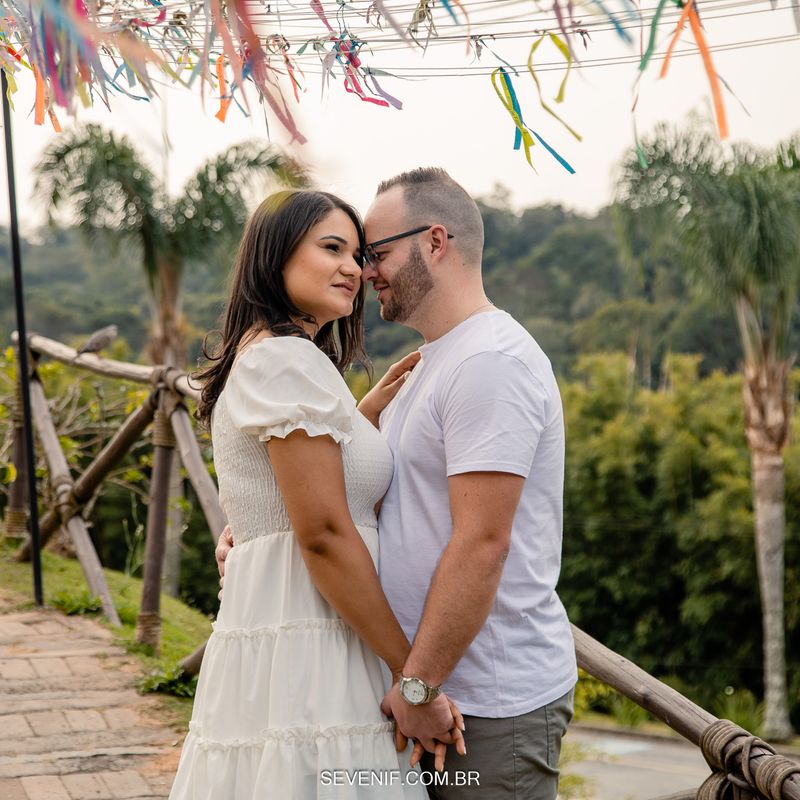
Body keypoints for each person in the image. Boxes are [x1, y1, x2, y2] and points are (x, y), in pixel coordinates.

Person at [218, 169, 578, 799]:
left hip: (478, 701)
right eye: (350, 253)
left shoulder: (488, 361)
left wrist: (417, 682)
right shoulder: (429, 364)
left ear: (435, 242)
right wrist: (262, 525)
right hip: (407, 692)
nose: (364, 271)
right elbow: (364, 496)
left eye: (373, 253)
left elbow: (482, 543)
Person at [169, 189, 463, 800]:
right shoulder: (286, 363)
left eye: (359, 255)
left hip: (294, 633)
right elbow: (325, 535)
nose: (354, 269)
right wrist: (414, 679)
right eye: (332, 248)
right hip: (315, 639)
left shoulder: (278, 359)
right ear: (275, 257)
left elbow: (288, 494)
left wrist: (358, 419)